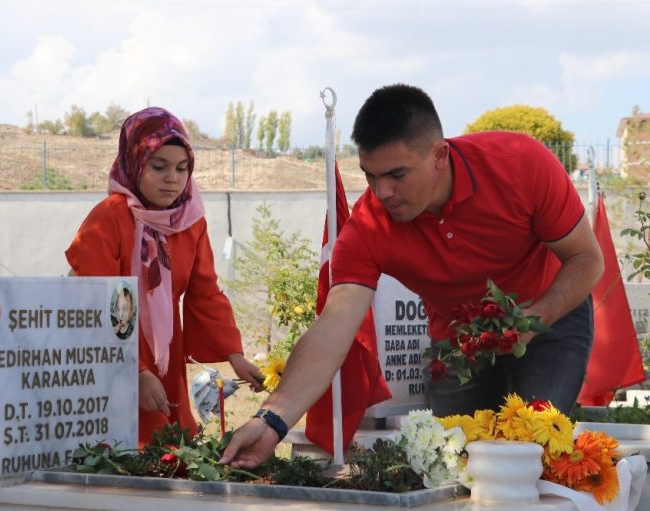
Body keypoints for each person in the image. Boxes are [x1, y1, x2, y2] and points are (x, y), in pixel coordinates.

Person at [221, 84, 604, 469]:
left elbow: (587, 259)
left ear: (439, 155)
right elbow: (333, 328)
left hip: (549, 315)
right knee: (451, 463)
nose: (382, 191)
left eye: (397, 174)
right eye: (370, 176)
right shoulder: (368, 226)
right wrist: (270, 420)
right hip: (458, 342)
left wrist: (535, 318)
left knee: (528, 451)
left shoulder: (521, 163)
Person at [66, 107, 262, 445]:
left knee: (170, 452)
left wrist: (234, 355)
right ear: (135, 162)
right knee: (117, 450)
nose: (173, 178)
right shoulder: (107, 218)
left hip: (165, 352)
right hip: (110, 352)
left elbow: (205, 293)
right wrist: (136, 370)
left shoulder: (190, 220)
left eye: (182, 168)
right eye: (159, 167)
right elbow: (98, 299)